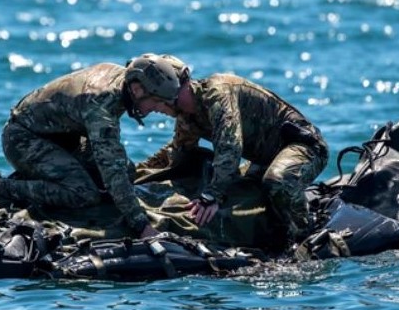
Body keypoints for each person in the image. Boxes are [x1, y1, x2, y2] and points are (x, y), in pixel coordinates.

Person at [0, 60, 165, 239]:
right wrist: (141, 225)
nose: (156, 107)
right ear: (137, 90)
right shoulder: (102, 104)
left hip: (61, 140)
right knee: (83, 194)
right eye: (154, 100)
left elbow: (115, 165)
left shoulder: (122, 79)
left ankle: (41, 178)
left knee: (127, 171)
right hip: (23, 139)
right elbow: (111, 168)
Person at [132, 56, 329, 243]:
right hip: (265, 159)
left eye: (155, 100)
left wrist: (212, 195)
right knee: (242, 192)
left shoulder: (218, 93)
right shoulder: (187, 117)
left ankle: (304, 236)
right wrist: (135, 174)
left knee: (277, 182)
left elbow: (230, 145)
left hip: (305, 147)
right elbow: (175, 153)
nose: (155, 108)